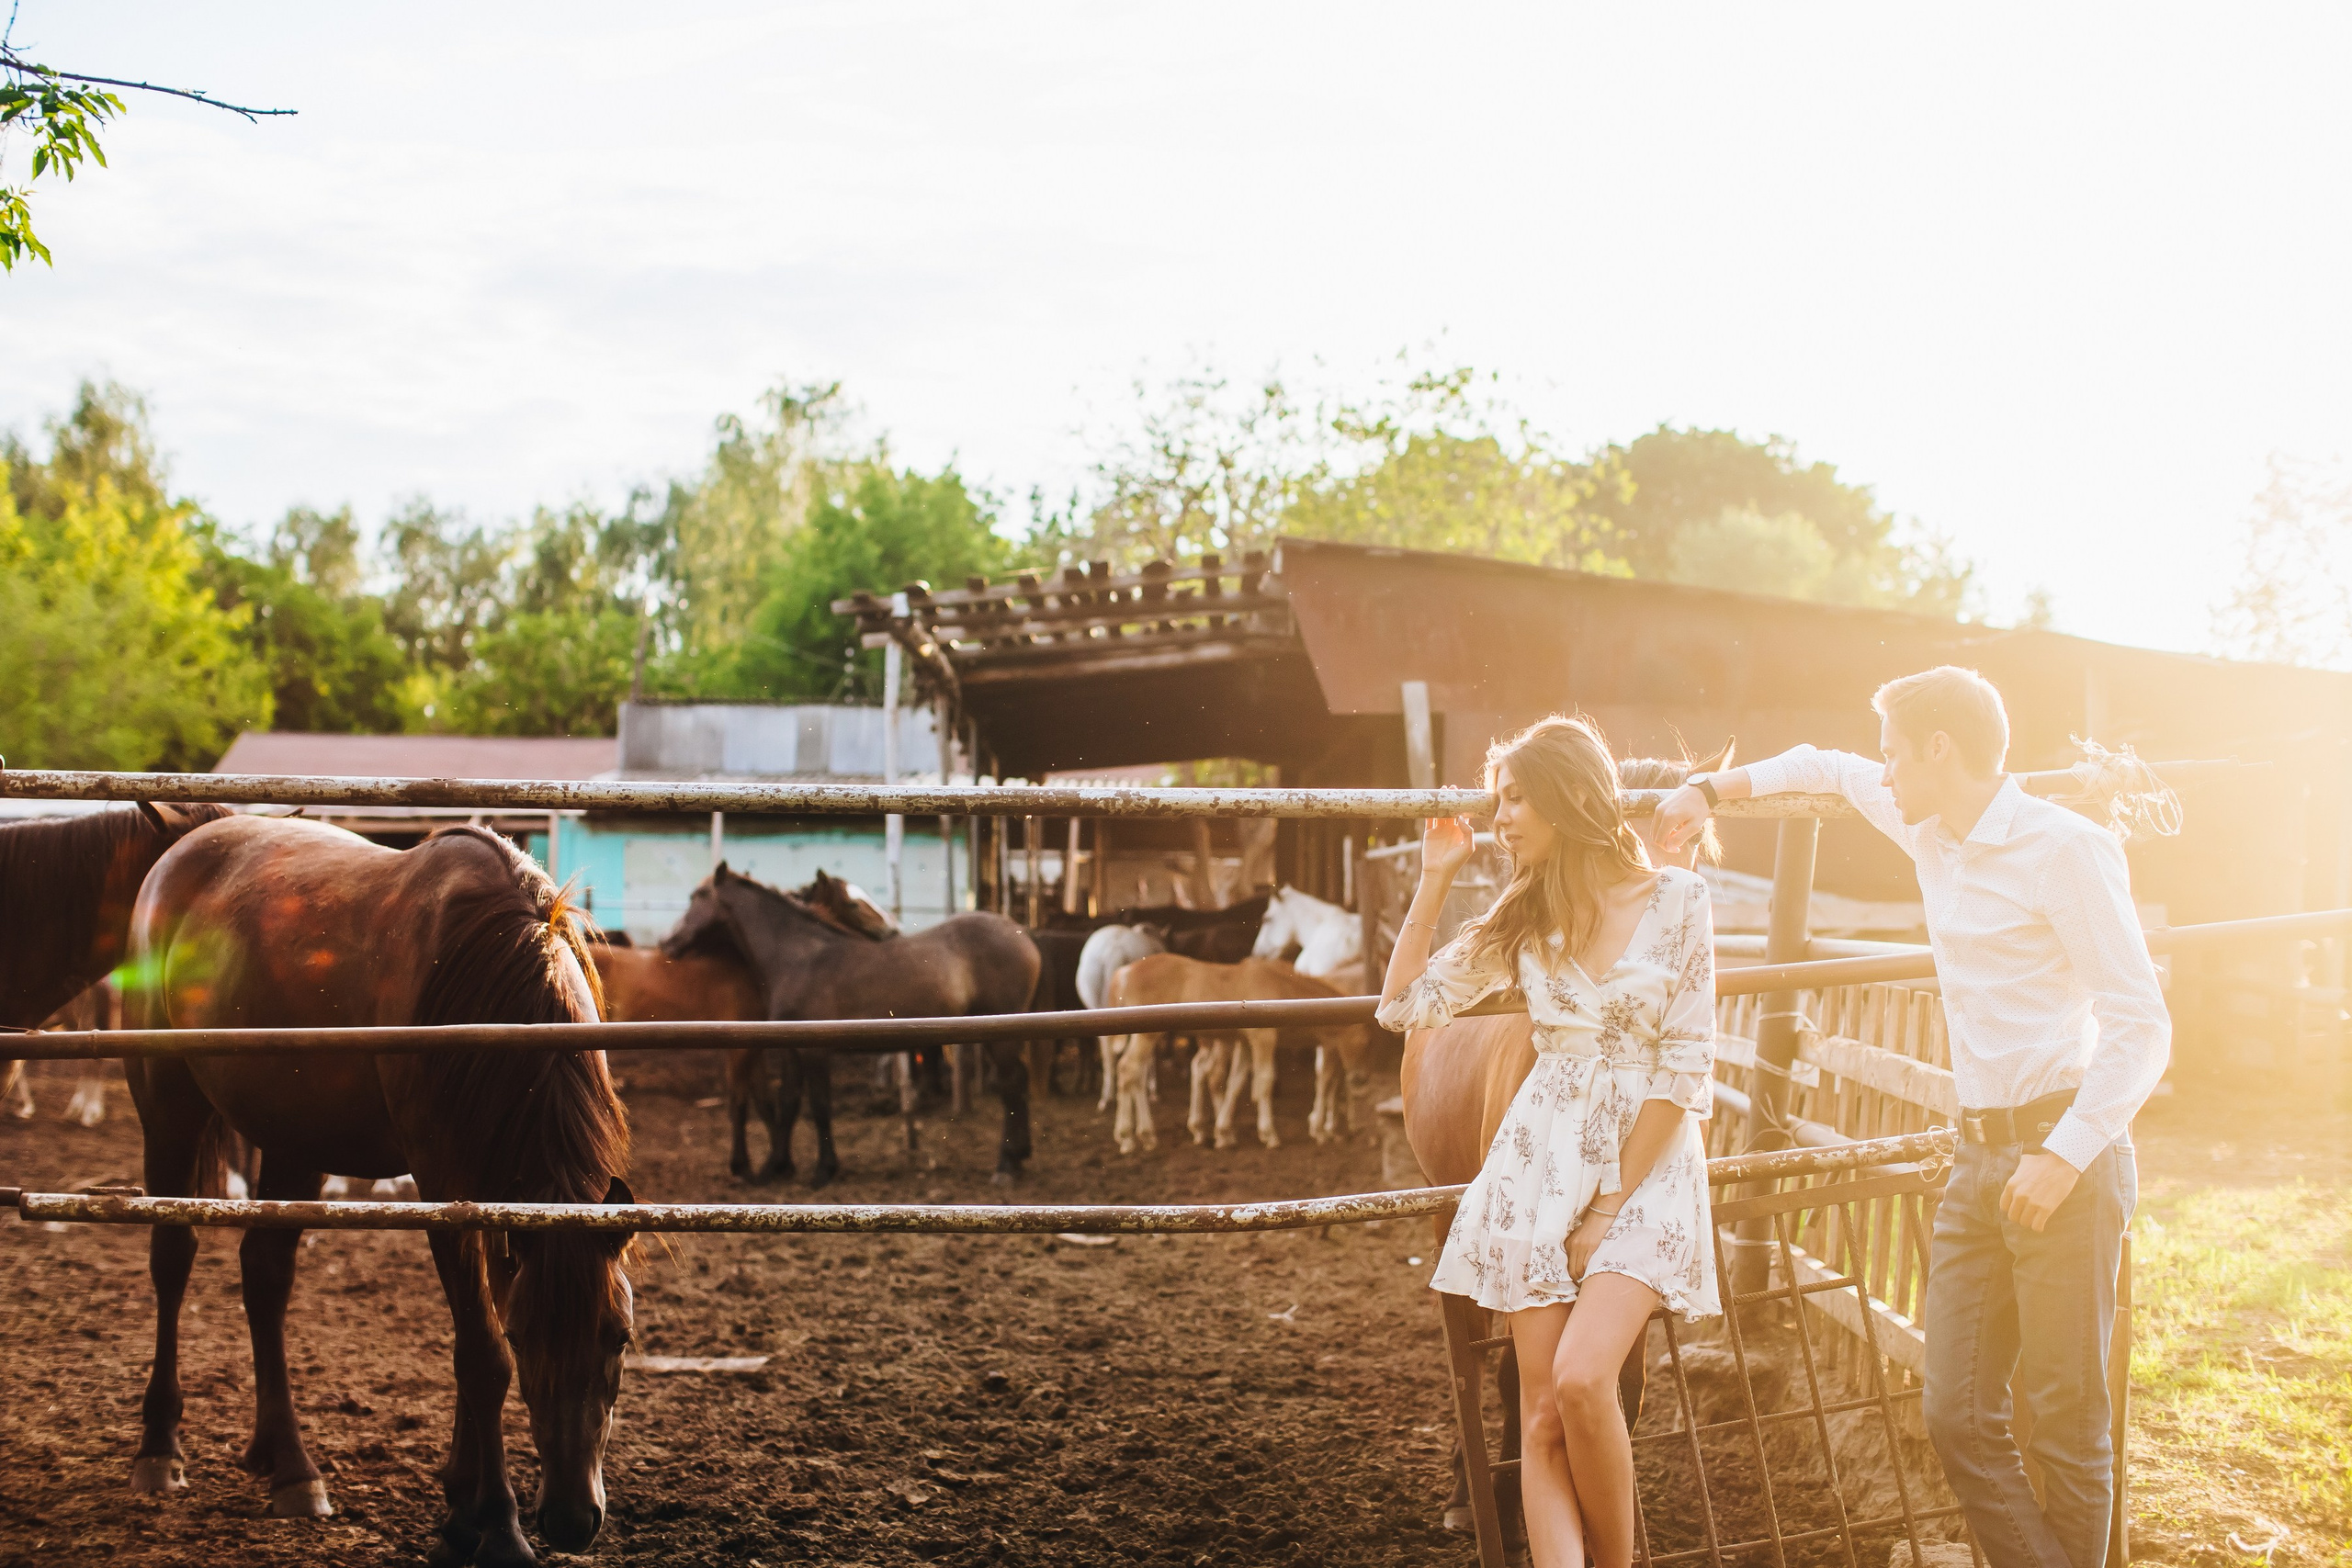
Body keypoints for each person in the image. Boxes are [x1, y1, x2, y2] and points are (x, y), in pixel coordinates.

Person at [1653, 665, 2165, 1568]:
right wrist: (1707, 791)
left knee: (2065, 1421)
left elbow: (2141, 1025)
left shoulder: (2065, 850)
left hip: (2065, 1159)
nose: (1881, 774)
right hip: (1975, 1163)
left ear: (1940, 750)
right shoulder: (1933, 831)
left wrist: (2065, 1153)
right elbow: (1824, 765)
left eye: (1894, 754)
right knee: (1955, 1415)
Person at [1379, 716, 1720, 1568]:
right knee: (1539, 1413)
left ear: (1571, 796)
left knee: (1579, 1381)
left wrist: (1608, 1205)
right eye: (1498, 801)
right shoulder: (1522, 915)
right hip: (1537, 1163)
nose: (1501, 818)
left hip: (1644, 1168)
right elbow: (1403, 1006)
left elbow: (1684, 1068)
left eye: (1516, 798)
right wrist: (1434, 880)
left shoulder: (1680, 901)